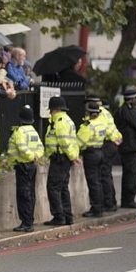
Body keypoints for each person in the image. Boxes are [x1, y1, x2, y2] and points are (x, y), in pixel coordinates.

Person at [43, 96, 80, 225]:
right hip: (64, 158)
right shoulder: (67, 120)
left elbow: (64, 142)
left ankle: (59, 216)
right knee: (63, 187)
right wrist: (73, 156)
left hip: (60, 159)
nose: (50, 113)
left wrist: (72, 156)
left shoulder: (60, 122)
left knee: (53, 187)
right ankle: (67, 216)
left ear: (55, 109)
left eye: (51, 110)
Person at [6, 105, 44, 232]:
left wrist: (30, 157)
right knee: (30, 194)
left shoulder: (20, 132)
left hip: (23, 166)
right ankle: (29, 220)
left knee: (23, 195)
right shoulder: (33, 131)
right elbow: (41, 148)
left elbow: (21, 148)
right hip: (32, 166)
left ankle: (26, 222)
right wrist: (35, 157)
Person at [85, 94, 122, 212]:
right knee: (106, 175)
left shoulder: (98, 114)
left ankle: (108, 203)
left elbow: (96, 129)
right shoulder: (105, 111)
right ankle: (111, 202)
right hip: (112, 142)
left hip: (106, 144)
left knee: (103, 175)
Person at [114, 89, 136, 208]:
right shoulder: (130, 111)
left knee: (131, 173)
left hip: (127, 146)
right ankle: (128, 201)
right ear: (132, 99)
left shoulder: (121, 110)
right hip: (130, 146)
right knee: (132, 174)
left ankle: (127, 200)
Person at [77, 102, 110, 217]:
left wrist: (74, 152)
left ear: (89, 113)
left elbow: (79, 142)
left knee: (93, 182)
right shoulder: (101, 124)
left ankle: (96, 209)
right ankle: (100, 207)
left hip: (90, 154)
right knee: (99, 181)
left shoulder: (88, 125)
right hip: (100, 152)